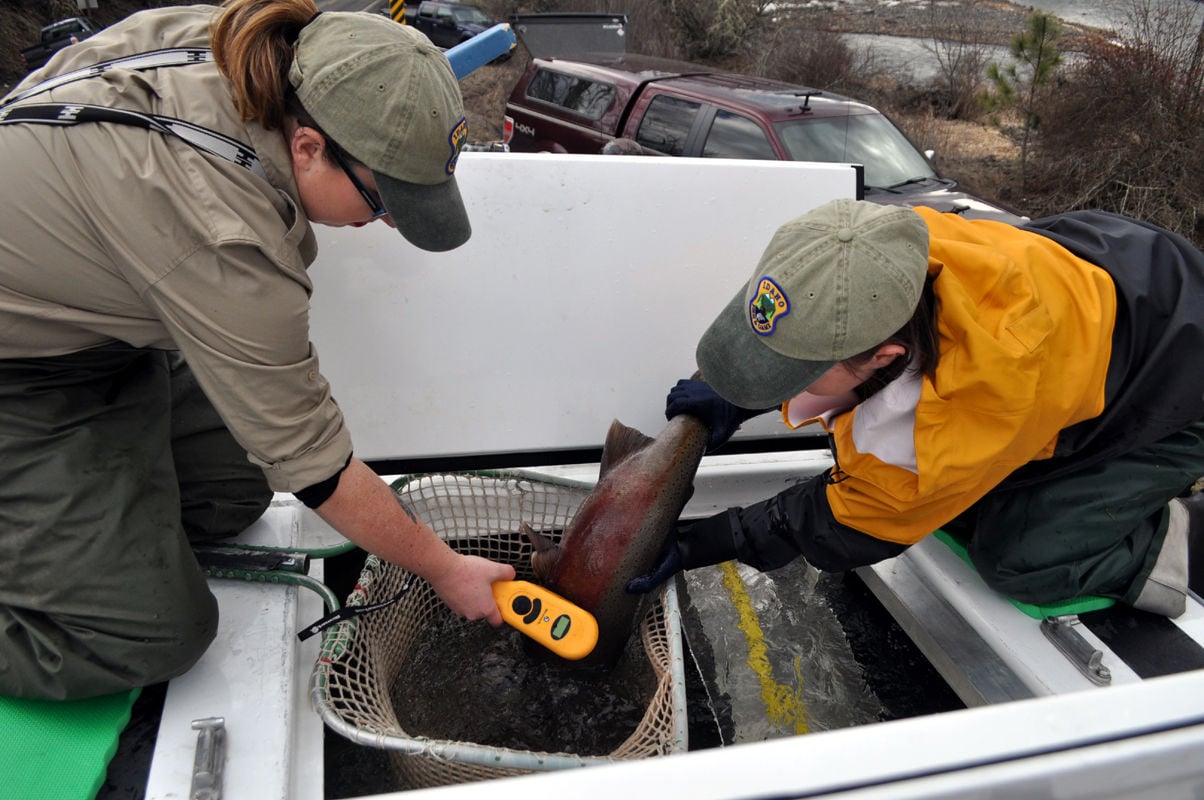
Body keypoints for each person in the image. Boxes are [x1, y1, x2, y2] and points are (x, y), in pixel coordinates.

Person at [0, 0, 515, 700]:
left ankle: (76, 523)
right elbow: (314, 461)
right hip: (23, 372)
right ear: (308, 147)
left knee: (236, 490)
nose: (385, 223)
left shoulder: (252, 50)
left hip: (100, 321)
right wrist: (443, 567)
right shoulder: (224, 234)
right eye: (383, 200)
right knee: (149, 632)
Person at [630, 198, 1204, 619]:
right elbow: (816, 324)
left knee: (1021, 558)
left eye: (797, 374)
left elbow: (861, 518)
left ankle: (1167, 535)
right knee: (952, 496)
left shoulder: (987, 386)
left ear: (888, 355)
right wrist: (736, 393)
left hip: (1175, 392)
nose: (784, 384)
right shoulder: (872, 247)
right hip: (1124, 276)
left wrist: (704, 541)